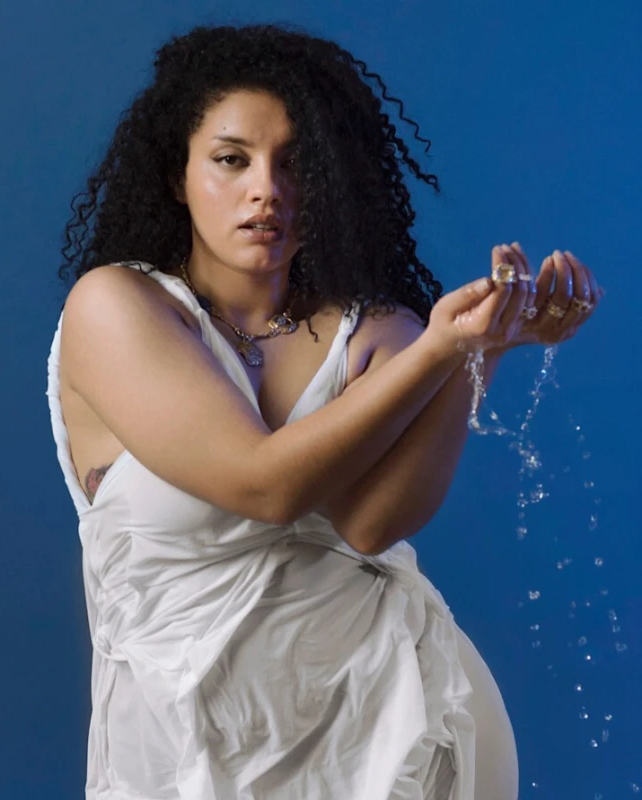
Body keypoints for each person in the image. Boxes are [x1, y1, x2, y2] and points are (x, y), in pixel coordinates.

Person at [46, 22, 603, 800]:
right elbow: (265, 486)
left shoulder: (378, 332)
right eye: (232, 159)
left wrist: (478, 350)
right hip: (184, 754)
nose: (266, 189)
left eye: (296, 163)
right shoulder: (116, 308)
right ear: (178, 175)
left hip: (395, 736)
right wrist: (438, 351)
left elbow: (371, 527)